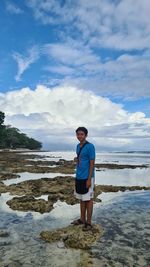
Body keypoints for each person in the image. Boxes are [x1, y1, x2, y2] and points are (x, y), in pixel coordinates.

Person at [71, 126, 95, 231]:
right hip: (79, 176)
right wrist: (76, 159)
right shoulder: (77, 146)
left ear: (86, 135)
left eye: (82, 134)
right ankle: (82, 219)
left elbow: (92, 163)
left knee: (88, 199)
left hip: (87, 177)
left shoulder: (90, 146)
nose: (79, 136)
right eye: (78, 134)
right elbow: (81, 158)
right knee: (81, 199)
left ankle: (89, 223)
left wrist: (89, 179)